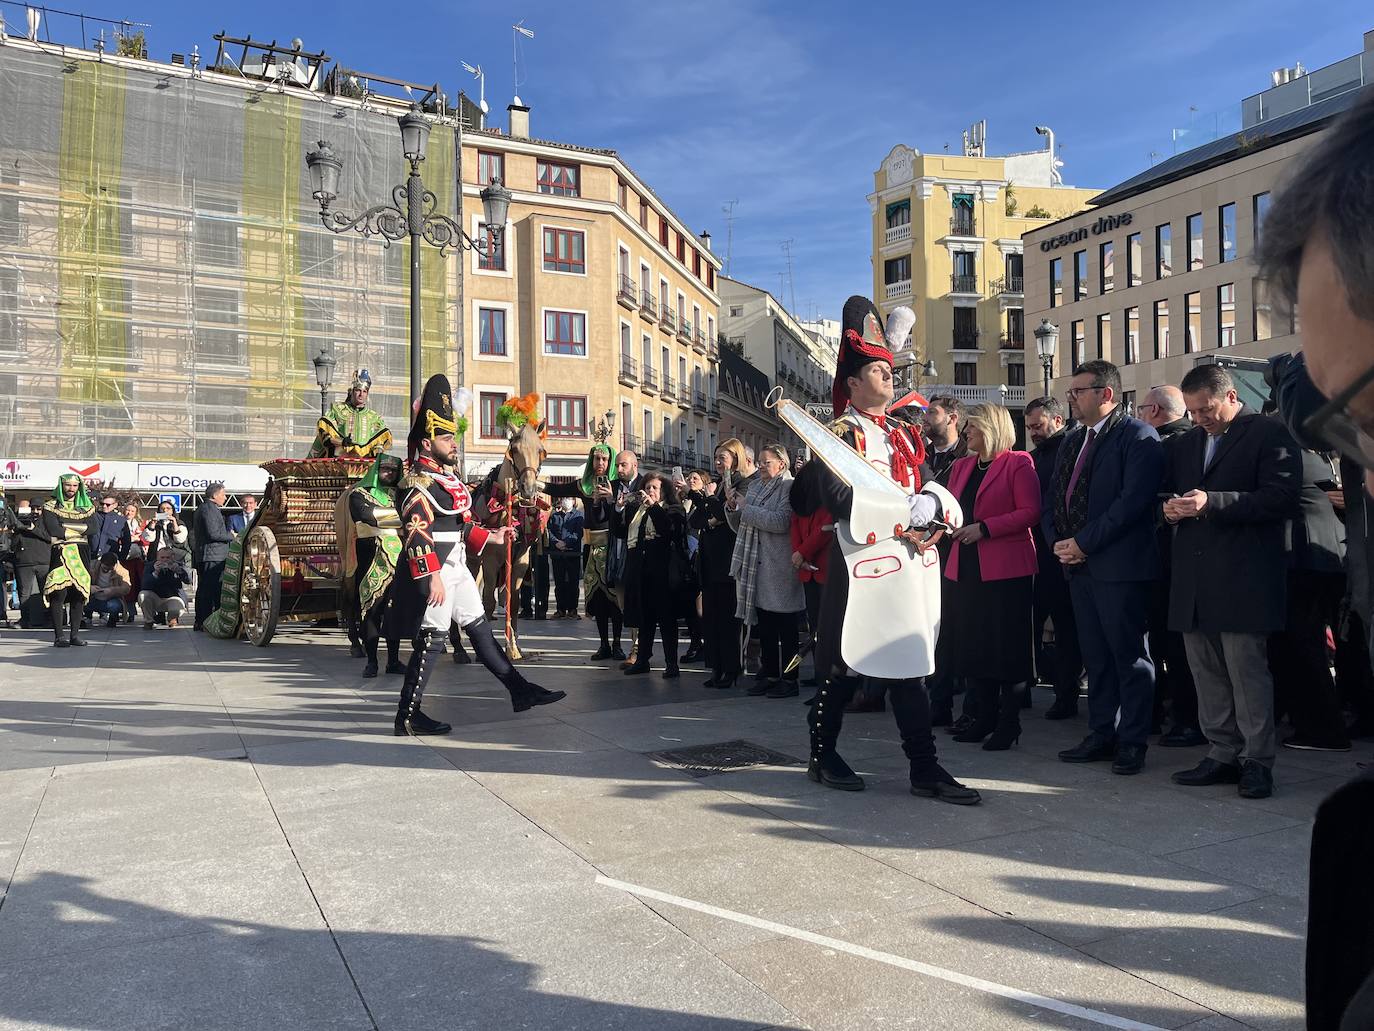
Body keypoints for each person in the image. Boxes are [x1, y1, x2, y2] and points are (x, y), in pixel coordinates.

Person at [809, 295, 978, 804]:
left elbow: (930, 487)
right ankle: (823, 754)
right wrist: (908, 513)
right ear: (854, 383)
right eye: (879, 371)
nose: (890, 376)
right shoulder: (836, 434)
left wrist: (934, 515)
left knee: (909, 664)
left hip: (907, 563)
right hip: (856, 561)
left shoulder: (906, 433)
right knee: (841, 665)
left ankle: (924, 768)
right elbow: (838, 499)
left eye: (890, 369)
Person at [390, 374, 565, 736]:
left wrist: (493, 534)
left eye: (453, 436)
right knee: (433, 640)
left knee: (481, 629)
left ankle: (520, 690)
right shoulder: (417, 483)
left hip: (456, 567)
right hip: (437, 571)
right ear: (427, 443)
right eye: (446, 437)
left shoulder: (446, 479)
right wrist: (431, 574)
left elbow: (462, 526)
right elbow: (416, 532)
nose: (454, 443)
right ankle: (407, 714)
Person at [1162, 364, 1301, 800]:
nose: (1199, 418)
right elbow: (1167, 493)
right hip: (1194, 578)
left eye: (1206, 409)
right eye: (1193, 411)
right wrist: (1166, 510)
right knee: (1205, 671)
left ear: (1232, 397)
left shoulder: (1268, 433)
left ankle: (1257, 761)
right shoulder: (1187, 443)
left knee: (1247, 673)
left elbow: (1280, 498)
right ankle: (1221, 751)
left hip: (1244, 575)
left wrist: (1211, 503)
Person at [1047, 360, 1163, 776]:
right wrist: (1060, 545)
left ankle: (1132, 740)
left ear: (1106, 394)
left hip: (1119, 567)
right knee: (1095, 657)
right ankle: (1101, 733)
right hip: (1077, 568)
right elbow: (1055, 497)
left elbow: (1132, 505)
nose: (1071, 398)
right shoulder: (1072, 441)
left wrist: (1084, 543)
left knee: (1128, 656)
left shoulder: (1138, 437)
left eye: (1078, 391)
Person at [944, 404, 1041, 750]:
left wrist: (984, 529)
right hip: (965, 565)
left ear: (991, 428)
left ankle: (1009, 722)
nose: (966, 432)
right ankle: (982, 716)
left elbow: (1030, 512)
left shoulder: (1018, 462)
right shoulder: (962, 466)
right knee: (973, 646)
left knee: (1007, 648)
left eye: (971, 427)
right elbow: (950, 508)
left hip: (1006, 569)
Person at [1136, 385, 1204, 746]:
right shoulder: (1193, 442)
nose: (1139, 414)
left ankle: (1178, 717)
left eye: (1143, 408)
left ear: (1157, 411)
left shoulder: (1162, 445)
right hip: (1180, 559)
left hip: (1166, 558)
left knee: (1168, 643)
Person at [1270, 449, 1350, 752]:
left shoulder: (1284, 448)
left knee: (1302, 646)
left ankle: (1322, 729)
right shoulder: (1309, 452)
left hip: (1303, 558)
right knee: (1308, 645)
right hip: (1323, 556)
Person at [1024, 397, 1084, 720]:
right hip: (1037, 553)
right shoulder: (1031, 458)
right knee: (1031, 624)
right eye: (1030, 427)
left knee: (1066, 627)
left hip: (1062, 551)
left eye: (1039, 425)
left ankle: (1067, 694)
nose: (1033, 432)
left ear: (1057, 421)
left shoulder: (1070, 451)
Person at [731, 443, 805, 698]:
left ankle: (791, 677)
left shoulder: (789, 486)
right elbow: (740, 522)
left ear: (781, 465)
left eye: (766, 462)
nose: (761, 466)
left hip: (780, 566)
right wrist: (733, 509)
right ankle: (771, 674)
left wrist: (746, 509)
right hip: (757, 567)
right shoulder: (755, 486)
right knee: (767, 629)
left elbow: (781, 521)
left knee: (788, 632)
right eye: (760, 462)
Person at [543, 441, 627, 658]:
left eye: (605, 459)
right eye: (597, 459)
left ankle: (617, 643)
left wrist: (609, 499)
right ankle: (603, 644)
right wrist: (535, 483)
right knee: (597, 597)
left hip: (611, 547)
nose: (600, 463)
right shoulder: (584, 486)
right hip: (590, 547)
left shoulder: (618, 486)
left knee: (614, 597)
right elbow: (558, 489)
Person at [615, 472, 689, 678]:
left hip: (663, 571)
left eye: (654, 488)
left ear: (664, 491)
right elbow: (619, 532)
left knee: (666, 619)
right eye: (647, 488)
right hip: (640, 570)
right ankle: (642, 660)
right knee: (644, 618)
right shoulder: (637, 511)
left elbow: (668, 531)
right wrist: (618, 508)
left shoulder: (673, 509)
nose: (650, 491)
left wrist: (653, 507)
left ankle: (671, 663)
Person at [343, 452, 407, 678]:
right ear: (376, 470)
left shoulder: (401, 494)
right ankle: (371, 661)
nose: (389, 474)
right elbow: (365, 515)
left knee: (394, 612)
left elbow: (409, 516)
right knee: (371, 611)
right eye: (385, 469)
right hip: (371, 559)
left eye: (393, 471)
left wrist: (386, 516)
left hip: (398, 561)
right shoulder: (358, 494)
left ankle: (393, 661)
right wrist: (399, 517)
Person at [693, 440, 747, 689]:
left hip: (728, 558)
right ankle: (715, 666)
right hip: (709, 559)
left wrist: (714, 503)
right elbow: (699, 520)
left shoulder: (743, 483)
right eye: (715, 458)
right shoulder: (714, 485)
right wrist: (708, 503)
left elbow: (731, 517)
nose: (717, 463)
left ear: (735, 458)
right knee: (711, 618)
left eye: (722, 458)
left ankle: (731, 668)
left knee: (728, 619)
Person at [789, 458, 834, 688]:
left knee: (826, 627)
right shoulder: (804, 498)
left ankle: (829, 676)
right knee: (815, 625)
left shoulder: (828, 498)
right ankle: (820, 673)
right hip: (810, 568)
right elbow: (795, 523)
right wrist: (800, 554)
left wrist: (802, 553)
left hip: (824, 566)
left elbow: (824, 530)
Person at [41, 473, 99, 647]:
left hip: (82, 552)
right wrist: (80, 529)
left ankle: (74, 636)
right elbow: (53, 530)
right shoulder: (50, 506)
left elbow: (93, 528)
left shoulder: (86, 506)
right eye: (68, 485)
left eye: (74, 486)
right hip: (61, 551)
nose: (71, 489)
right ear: (61, 486)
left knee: (79, 594)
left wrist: (64, 526)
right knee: (58, 592)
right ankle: (59, 637)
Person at [308, 368, 393, 458]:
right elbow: (324, 434)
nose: (361, 394)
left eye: (364, 391)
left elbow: (380, 441)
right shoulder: (338, 410)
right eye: (358, 390)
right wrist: (342, 441)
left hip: (364, 464)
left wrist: (376, 451)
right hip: (339, 460)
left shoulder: (374, 417)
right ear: (352, 392)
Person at [192, 484, 232, 631]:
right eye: (223, 494)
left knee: (207, 589)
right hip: (212, 555)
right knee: (208, 590)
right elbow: (214, 533)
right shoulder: (209, 509)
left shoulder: (207, 508)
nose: (225, 497)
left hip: (210, 554)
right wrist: (231, 536)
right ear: (215, 495)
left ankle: (204, 621)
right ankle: (205, 621)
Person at [547, 497, 584, 618]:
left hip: (573, 553)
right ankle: (560, 609)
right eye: (563, 498)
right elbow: (549, 531)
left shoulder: (578, 516)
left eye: (568, 498)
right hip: (557, 554)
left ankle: (573, 609)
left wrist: (566, 543)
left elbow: (578, 533)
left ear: (573, 501)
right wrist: (556, 543)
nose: (565, 501)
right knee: (559, 583)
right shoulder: (554, 516)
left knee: (573, 583)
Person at [139, 546, 191, 629]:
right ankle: (149, 621)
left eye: (168, 557)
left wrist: (179, 571)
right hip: (155, 597)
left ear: (173, 557)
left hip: (172, 597)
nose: (165, 560)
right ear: (157, 557)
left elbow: (189, 580)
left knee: (178, 609)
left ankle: (172, 618)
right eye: (162, 557)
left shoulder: (178, 565)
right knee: (143, 595)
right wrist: (155, 572)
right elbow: (145, 585)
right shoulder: (150, 566)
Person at [12, 497, 48, 604]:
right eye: (32, 509)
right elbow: (14, 543)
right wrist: (17, 528)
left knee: (46, 592)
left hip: (44, 561)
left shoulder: (48, 521)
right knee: (24, 593)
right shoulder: (20, 521)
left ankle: (47, 618)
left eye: (39, 509)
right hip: (25, 562)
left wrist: (33, 529)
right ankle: (25, 618)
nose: (35, 511)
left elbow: (51, 537)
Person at [924, 395, 968, 483]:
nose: (924, 418)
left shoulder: (970, 458)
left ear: (952, 419)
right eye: (926, 413)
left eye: (932, 412)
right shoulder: (920, 455)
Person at [85, 553, 131, 628]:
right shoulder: (92, 567)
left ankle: (112, 617)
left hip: (110, 599)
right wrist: (90, 587)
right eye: (105, 566)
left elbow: (126, 588)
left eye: (110, 568)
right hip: (93, 597)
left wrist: (112, 590)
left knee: (114, 605)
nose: (106, 569)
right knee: (81, 600)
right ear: (101, 562)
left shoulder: (122, 572)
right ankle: (86, 617)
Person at [143, 501, 191, 567]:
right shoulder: (153, 524)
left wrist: (174, 523)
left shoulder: (179, 523)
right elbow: (148, 538)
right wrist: (153, 524)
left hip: (175, 553)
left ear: (172, 511)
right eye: (162, 509)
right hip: (157, 553)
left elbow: (180, 539)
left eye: (168, 508)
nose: (165, 510)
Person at [121, 502, 146, 625]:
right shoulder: (120, 522)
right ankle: (129, 612)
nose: (129, 513)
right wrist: (131, 538)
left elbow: (146, 539)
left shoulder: (141, 524)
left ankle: (147, 611)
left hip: (139, 559)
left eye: (132, 511)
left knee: (139, 584)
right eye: (127, 510)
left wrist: (139, 538)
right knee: (127, 585)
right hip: (125, 559)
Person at [89, 494, 131, 566]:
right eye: (102, 504)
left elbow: (126, 542)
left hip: (110, 561)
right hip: (92, 558)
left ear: (115, 505)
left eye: (108, 504)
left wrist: (121, 559)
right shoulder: (93, 517)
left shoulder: (121, 521)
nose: (104, 506)